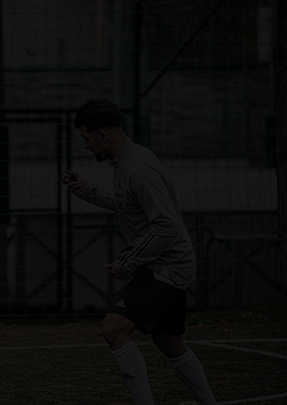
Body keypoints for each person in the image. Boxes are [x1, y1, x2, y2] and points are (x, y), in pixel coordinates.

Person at [62, 99, 217, 404]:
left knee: (113, 329)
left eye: (86, 138)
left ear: (102, 136)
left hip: (167, 266)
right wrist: (89, 190)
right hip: (165, 262)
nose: (85, 146)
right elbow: (127, 203)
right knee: (168, 341)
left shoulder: (139, 169)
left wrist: (129, 262)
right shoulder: (129, 160)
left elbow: (167, 226)